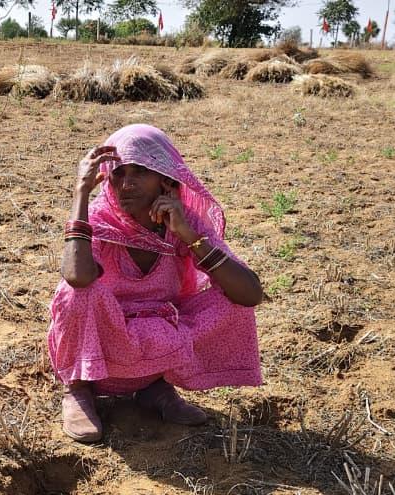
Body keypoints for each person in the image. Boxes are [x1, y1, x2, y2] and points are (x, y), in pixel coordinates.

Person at [47, 124, 264, 443]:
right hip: (104, 351)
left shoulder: (184, 222)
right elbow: (76, 277)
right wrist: (81, 193)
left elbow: (250, 294)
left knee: (231, 295)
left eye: (140, 171)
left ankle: (154, 388)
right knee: (75, 292)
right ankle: (77, 390)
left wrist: (188, 236)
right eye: (118, 173)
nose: (126, 184)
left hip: (159, 341)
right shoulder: (99, 219)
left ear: (165, 178)